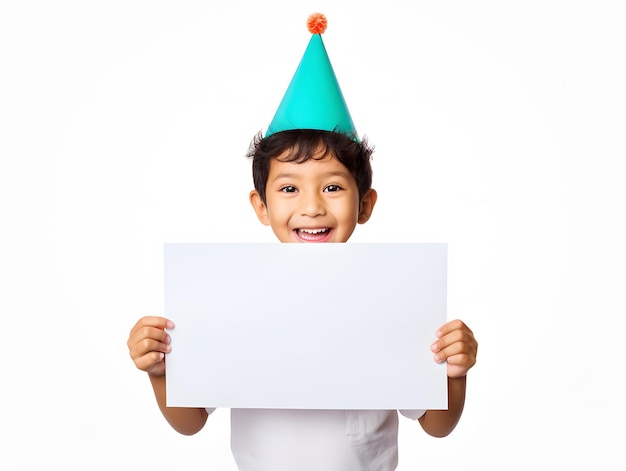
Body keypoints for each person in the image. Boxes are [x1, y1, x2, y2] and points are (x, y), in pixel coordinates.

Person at [127, 14, 477, 471]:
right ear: (261, 205)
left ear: (365, 204)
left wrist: (453, 374)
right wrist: (161, 371)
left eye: (332, 187)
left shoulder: (394, 298)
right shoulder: (232, 297)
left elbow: (436, 424)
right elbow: (190, 421)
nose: (312, 207)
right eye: (289, 188)